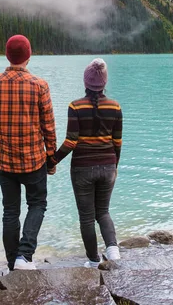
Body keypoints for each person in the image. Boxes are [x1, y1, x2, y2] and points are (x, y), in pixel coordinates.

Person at [0, 34, 56, 271]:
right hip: (33, 162)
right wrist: (51, 160)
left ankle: (13, 263)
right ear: (29, 56)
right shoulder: (39, 86)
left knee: (10, 211)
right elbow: (49, 127)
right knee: (38, 204)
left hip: (4, 163)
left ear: (7, 55)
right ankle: (25, 255)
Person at [48, 58, 122, 268]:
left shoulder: (75, 106)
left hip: (82, 168)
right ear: (104, 83)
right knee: (103, 212)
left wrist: (51, 160)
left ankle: (92, 260)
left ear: (86, 82)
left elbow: (71, 141)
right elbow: (117, 142)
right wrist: (114, 164)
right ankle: (114, 252)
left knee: (87, 218)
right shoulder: (115, 106)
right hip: (108, 166)